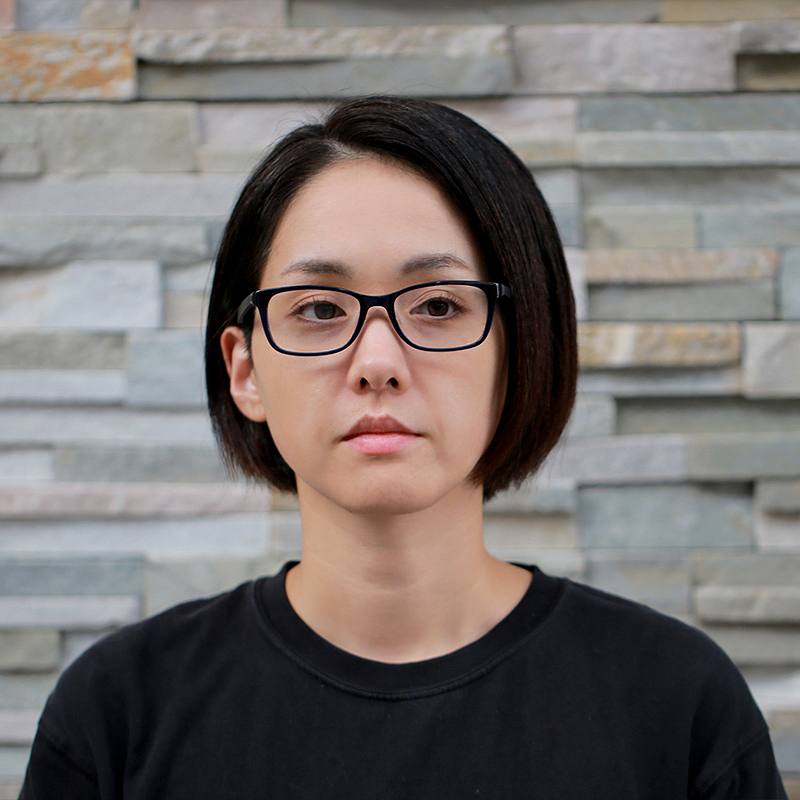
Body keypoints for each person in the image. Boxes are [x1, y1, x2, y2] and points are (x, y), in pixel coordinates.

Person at [20, 96, 785, 799]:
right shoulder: (117, 715)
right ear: (245, 370)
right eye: (320, 308)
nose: (379, 362)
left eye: (440, 305)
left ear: (522, 350)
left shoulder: (676, 704)